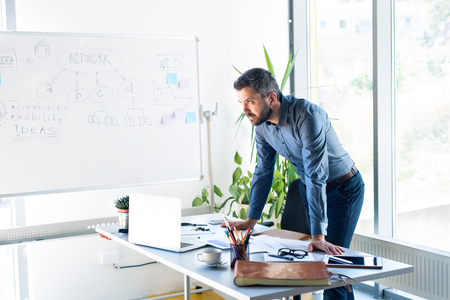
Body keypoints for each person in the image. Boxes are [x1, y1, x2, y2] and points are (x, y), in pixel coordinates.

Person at [224, 68, 365, 300]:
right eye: (241, 102)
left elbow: (316, 174)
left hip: (343, 189)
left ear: (271, 98)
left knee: (331, 266)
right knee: (316, 262)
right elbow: (263, 171)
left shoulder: (307, 116)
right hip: (310, 187)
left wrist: (319, 236)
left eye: (249, 101)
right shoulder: (261, 126)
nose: (244, 110)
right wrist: (251, 219)